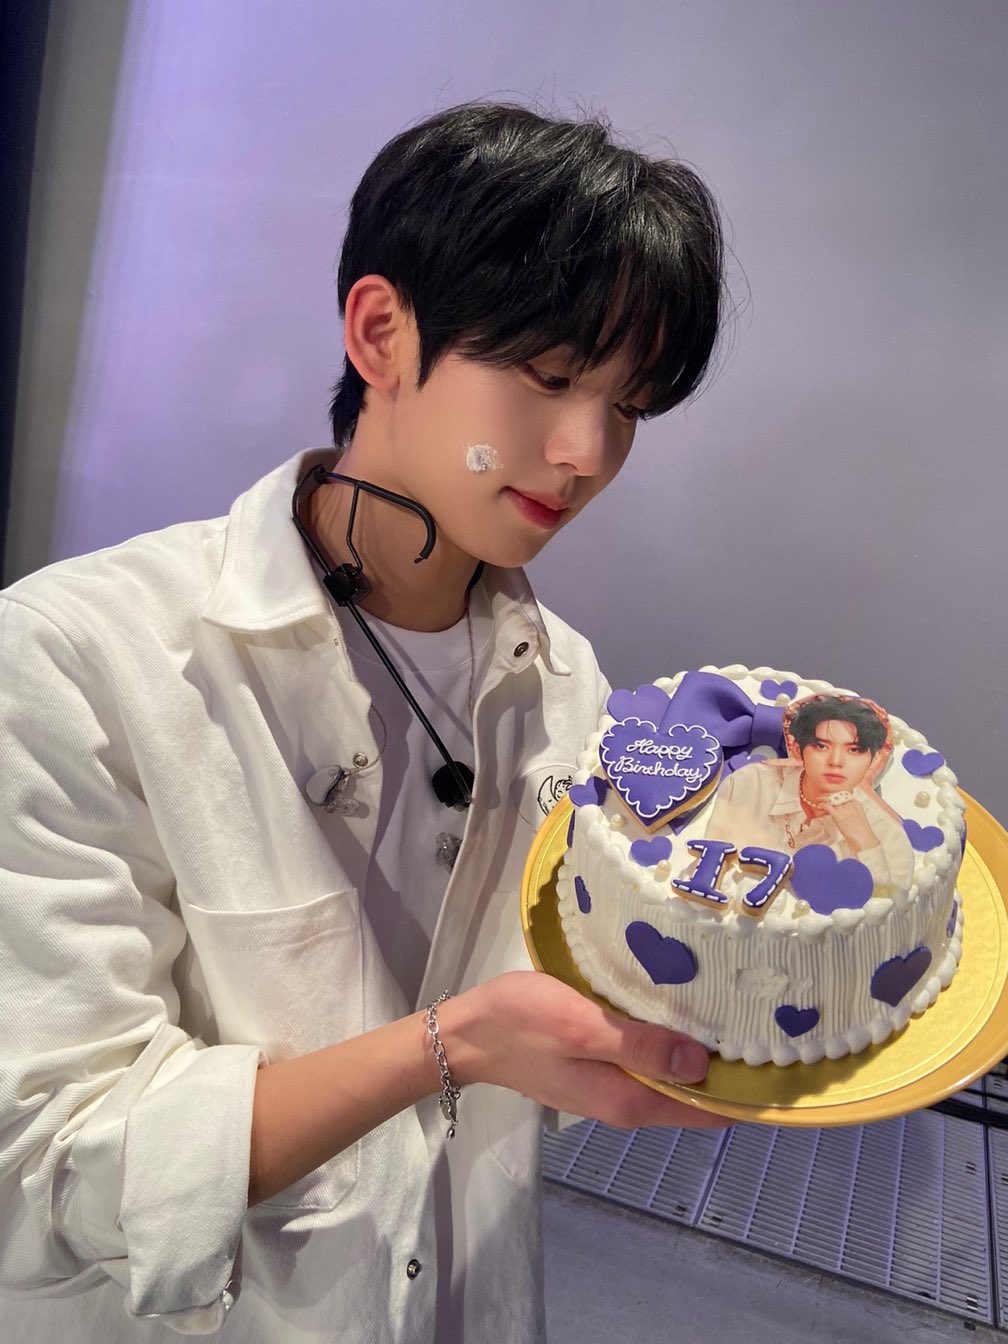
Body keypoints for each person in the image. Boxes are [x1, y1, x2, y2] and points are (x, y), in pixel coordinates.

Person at [0, 102, 728, 1343]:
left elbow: (562, 1040)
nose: (587, 451)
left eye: (631, 404)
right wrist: (452, 1045)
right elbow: (43, 1170)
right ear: (383, 333)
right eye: (551, 378)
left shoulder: (568, 687)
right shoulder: (82, 656)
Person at [706, 693, 914, 889]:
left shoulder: (886, 832)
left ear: (872, 759)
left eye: (854, 750)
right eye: (822, 746)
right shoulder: (751, 785)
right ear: (799, 749)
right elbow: (711, 869)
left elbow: (891, 901)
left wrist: (865, 841)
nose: (835, 762)